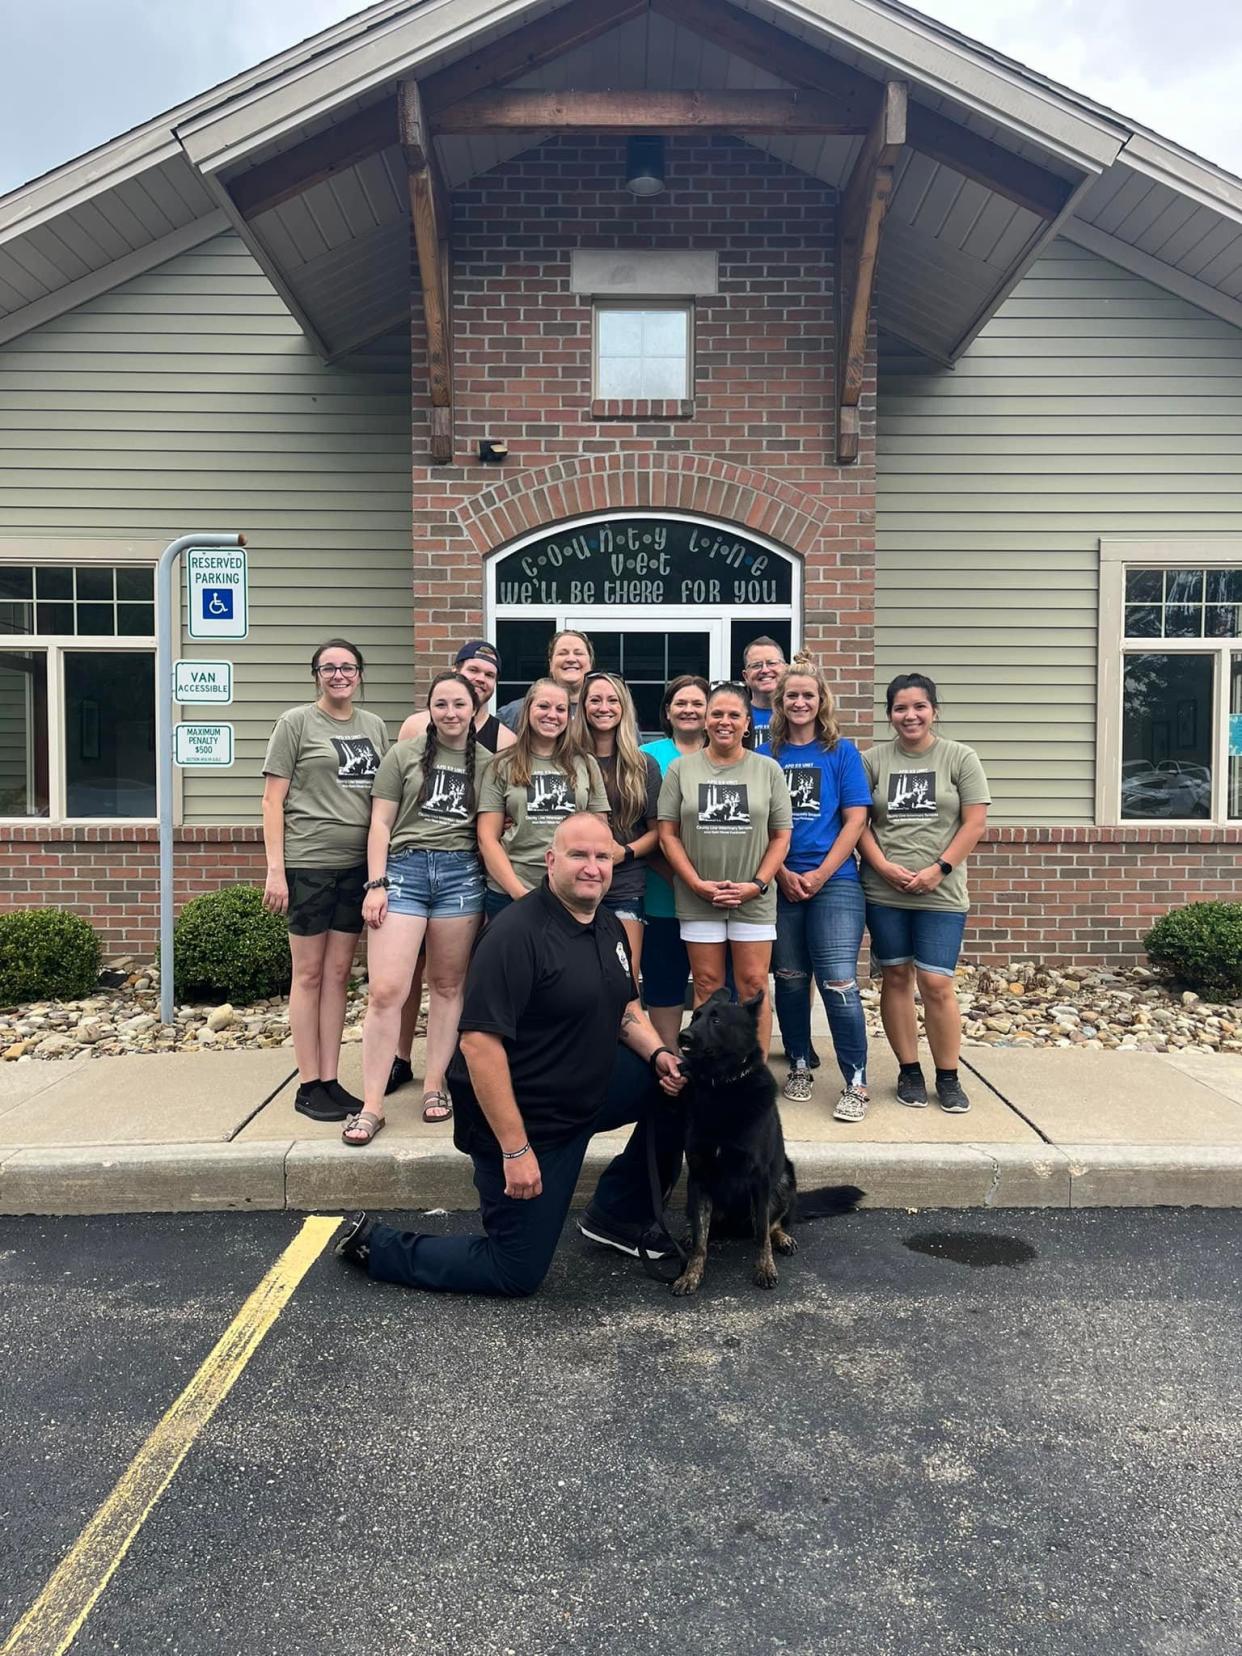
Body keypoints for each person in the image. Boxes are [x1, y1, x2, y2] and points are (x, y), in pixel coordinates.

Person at [333, 814, 688, 1296]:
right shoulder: (516, 935)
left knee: (680, 1088)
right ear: (550, 861)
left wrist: (659, 1055)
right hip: (530, 1124)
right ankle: (379, 1246)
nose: (592, 868)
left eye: (602, 857)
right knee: (514, 1272)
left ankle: (619, 1217)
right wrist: (515, 1150)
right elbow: (479, 1047)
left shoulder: (608, 927)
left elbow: (626, 1011)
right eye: (578, 855)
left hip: (590, 1090)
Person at [340, 671, 489, 1144]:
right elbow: (380, 823)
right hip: (402, 874)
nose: (450, 713)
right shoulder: (401, 755)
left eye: (459, 705)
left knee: (447, 986)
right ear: (429, 710)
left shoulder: (487, 763)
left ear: (474, 711)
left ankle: (434, 1084)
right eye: (441, 704)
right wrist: (376, 884)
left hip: (460, 877)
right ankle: (371, 1105)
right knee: (387, 990)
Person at [260, 639, 389, 1122]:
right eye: (329, 668)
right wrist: (277, 869)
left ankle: (332, 1080)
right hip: (309, 862)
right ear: (316, 674)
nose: (339, 675)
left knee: (339, 975)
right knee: (309, 974)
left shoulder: (373, 726)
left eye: (348, 667)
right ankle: (307, 1082)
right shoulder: (295, 723)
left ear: (360, 674)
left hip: (356, 868)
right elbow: (272, 801)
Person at [386, 639, 514, 1098]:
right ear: (456, 671)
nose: (481, 679)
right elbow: (396, 799)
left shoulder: (502, 740)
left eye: (489, 676)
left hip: (463, 876)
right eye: (473, 670)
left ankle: (442, 1071)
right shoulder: (417, 726)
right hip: (409, 870)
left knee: (449, 976)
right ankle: (400, 1057)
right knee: (404, 974)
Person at [857, 672, 990, 1114]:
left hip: (941, 892)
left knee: (936, 982)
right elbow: (858, 823)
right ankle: (909, 1070)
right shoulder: (872, 760)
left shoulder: (959, 758)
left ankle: (948, 1076)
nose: (909, 715)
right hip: (885, 891)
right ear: (890, 714)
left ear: (934, 710)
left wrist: (940, 868)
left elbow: (974, 823)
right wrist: (881, 866)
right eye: (900, 708)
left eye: (918, 706)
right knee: (896, 978)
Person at [760, 656, 872, 1121]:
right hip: (781, 881)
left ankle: (856, 1081)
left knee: (839, 980)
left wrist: (822, 873)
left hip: (835, 883)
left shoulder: (841, 752)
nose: (800, 702)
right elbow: (761, 822)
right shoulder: (767, 756)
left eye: (808, 695)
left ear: (821, 700)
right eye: (792, 696)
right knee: (788, 979)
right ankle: (800, 1063)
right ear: (779, 704)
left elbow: (856, 819)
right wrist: (781, 872)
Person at [656, 680, 792, 1058]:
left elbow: (781, 836)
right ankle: (708, 1069)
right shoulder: (681, 770)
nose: (724, 721)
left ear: (748, 722)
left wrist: (758, 884)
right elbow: (667, 835)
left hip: (753, 897)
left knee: (752, 986)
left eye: (734, 715)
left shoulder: (768, 769)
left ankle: (754, 1071)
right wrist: (696, 883)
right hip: (700, 896)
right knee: (707, 984)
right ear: (705, 720)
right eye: (716, 713)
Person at [477, 678, 608, 919]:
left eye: (561, 709)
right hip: (510, 891)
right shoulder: (501, 764)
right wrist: (519, 893)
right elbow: (487, 838)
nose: (552, 715)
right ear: (528, 710)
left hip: (571, 891)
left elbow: (599, 834)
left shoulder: (586, 764)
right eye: (543, 706)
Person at [573, 670, 661, 980]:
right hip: (573, 882)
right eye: (594, 700)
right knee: (575, 977)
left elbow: (658, 832)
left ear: (623, 707)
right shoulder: (567, 761)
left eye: (612, 700)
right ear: (583, 707)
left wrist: (624, 851)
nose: (603, 707)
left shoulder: (643, 765)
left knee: (623, 980)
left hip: (625, 884)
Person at [639, 674, 709, 1051]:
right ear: (668, 711)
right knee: (664, 980)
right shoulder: (649, 758)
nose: (689, 710)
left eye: (698, 703)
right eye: (681, 703)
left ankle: (702, 1055)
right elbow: (642, 825)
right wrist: (680, 878)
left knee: (708, 979)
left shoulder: (725, 753)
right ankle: (667, 1057)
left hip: (714, 896)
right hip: (661, 890)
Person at [496, 629, 594, 732]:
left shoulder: (602, 713)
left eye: (578, 653)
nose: (571, 659)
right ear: (551, 664)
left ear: (590, 663)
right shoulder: (514, 713)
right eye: (562, 653)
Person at [740, 637, 786, 738]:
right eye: (756, 665)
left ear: (785, 669)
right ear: (745, 676)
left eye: (772, 663)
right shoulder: (737, 716)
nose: (765, 670)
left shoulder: (799, 714)